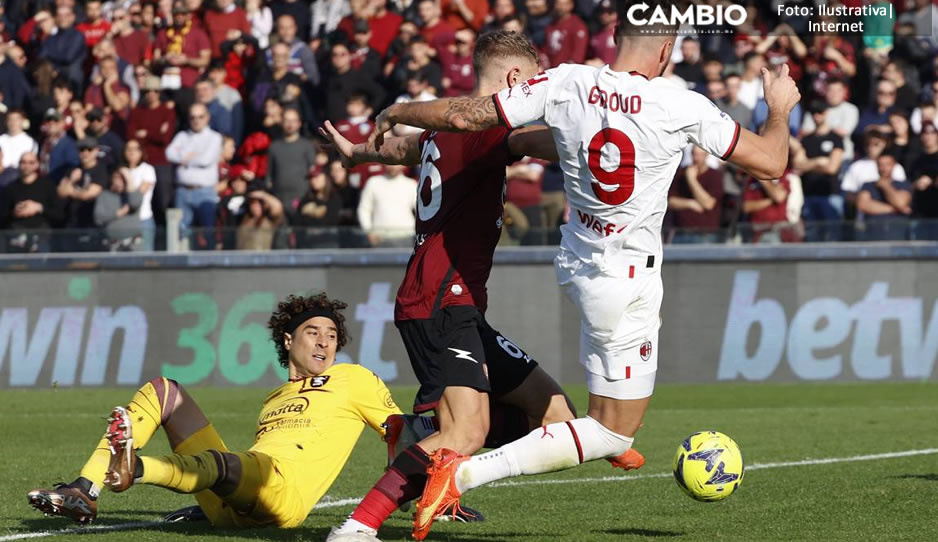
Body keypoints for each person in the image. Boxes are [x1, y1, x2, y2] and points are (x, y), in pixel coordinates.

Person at [361, 0, 800, 537]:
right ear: (667, 50)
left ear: (615, 34)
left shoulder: (567, 82)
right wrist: (778, 106)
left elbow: (475, 124)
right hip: (628, 278)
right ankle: (463, 472)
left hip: (578, 264)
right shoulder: (681, 104)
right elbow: (773, 163)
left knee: (568, 416)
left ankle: (428, 437)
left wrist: (390, 121)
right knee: (613, 433)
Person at [322, 29, 646, 542]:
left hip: (456, 301)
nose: (535, 92)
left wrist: (357, 154)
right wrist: (591, 135)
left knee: (552, 408)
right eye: (533, 81)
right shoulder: (484, 129)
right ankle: (359, 527)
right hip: (439, 299)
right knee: (467, 432)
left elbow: (404, 150)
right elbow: (532, 140)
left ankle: (422, 434)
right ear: (515, 79)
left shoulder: (443, 134)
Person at [27, 293, 403, 528]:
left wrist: (437, 494)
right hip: (232, 497)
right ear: (288, 340)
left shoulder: (353, 378)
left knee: (226, 463)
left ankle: (135, 469)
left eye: (332, 335)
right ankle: (85, 488)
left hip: (281, 496)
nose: (325, 341)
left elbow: (404, 438)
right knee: (165, 391)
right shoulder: (275, 396)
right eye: (313, 332)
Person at [166, 103, 223, 247]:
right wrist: (189, 157)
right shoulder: (182, 136)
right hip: (183, 191)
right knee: (181, 235)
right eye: (192, 117)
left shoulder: (214, 137)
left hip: (205, 192)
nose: (196, 120)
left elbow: (205, 160)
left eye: (200, 117)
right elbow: (169, 154)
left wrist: (183, 158)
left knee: (208, 233)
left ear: (207, 117)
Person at [94, 168, 143, 251]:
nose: (118, 180)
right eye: (116, 177)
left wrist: (129, 180)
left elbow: (135, 203)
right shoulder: (104, 195)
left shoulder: (132, 194)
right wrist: (116, 214)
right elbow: (98, 218)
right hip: (112, 244)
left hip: (134, 244)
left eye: (122, 178)